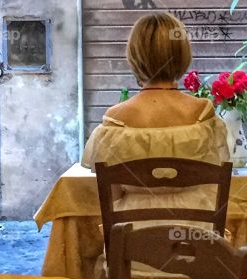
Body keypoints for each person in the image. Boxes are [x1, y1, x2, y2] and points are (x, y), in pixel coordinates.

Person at [82, 11, 230, 169]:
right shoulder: (203, 114)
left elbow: (110, 190)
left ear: (134, 57)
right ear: (182, 55)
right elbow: (221, 173)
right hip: (201, 195)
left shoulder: (115, 121)